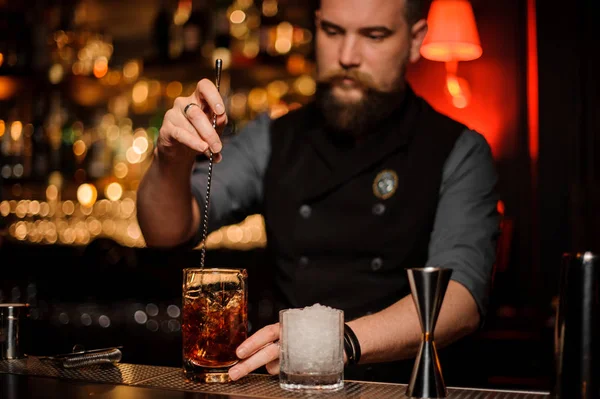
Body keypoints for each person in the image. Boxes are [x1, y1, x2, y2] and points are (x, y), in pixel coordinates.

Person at [136, 0, 500, 384]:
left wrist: (332, 342)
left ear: (414, 41)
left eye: (374, 35)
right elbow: (165, 232)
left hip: (402, 387)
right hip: (291, 386)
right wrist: (169, 158)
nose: (346, 56)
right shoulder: (271, 138)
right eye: (333, 32)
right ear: (316, 27)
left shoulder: (458, 150)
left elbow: (461, 300)